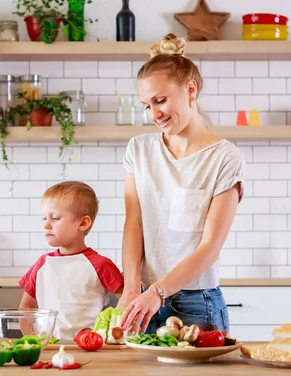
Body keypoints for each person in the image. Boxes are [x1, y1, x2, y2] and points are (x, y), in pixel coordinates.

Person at [117, 33, 246, 335]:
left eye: (160, 100)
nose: (154, 114)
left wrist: (157, 292)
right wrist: (132, 286)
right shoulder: (139, 149)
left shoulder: (225, 158)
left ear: (190, 89)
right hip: (144, 301)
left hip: (196, 303)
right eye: (147, 105)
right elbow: (133, 222)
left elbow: (210, 247)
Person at [19, 181, 124, 342]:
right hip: (48, 347)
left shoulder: (100, 264)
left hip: (88, 347)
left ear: (83, 223)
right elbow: (26, 307)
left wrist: (110, 330)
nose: (46, 224)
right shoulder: (42, 264)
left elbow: (126, 299)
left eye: (55, 218)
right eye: (44, 218)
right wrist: (31, 339)